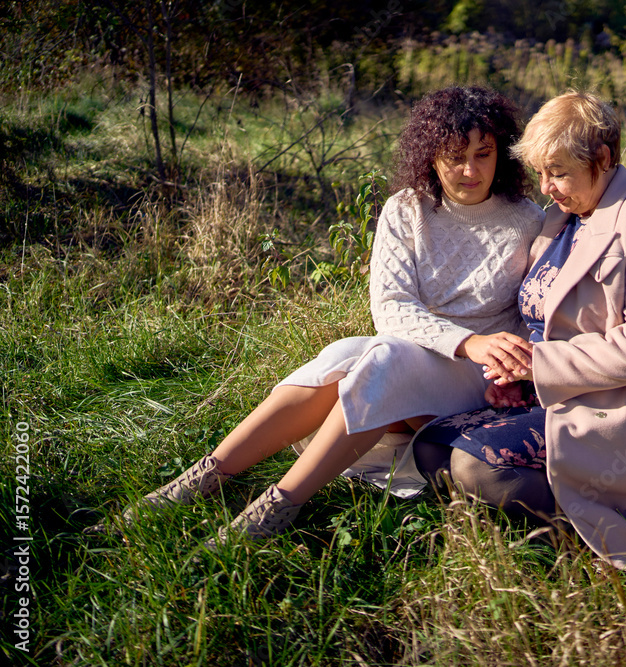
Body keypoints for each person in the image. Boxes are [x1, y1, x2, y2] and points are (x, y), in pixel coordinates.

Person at [88, 86, 544, 546]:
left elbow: (535, 312)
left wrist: (513, 372)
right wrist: (465, 340)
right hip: (422, 352)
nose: (469, 170)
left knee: (385, 357)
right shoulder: (407, 209)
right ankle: (195, 482)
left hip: (477, 380)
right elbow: (391, 308)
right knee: (342, 353)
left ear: (501, 155)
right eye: (454, 156)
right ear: (430, 156)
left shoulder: (528, 220)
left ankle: (272, 509)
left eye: (482, 155)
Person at [412, 91, 626, 577]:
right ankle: (561, 503)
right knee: (430, 446)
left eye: (559, 172)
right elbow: (543, 320)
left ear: (604, 159)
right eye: (541, 173)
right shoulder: (561, 217)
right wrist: (518, 377)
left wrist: (540, 366)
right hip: (555, 397)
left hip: (623, 410)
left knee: (474, 469)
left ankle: (594, 525)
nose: (547, 187)